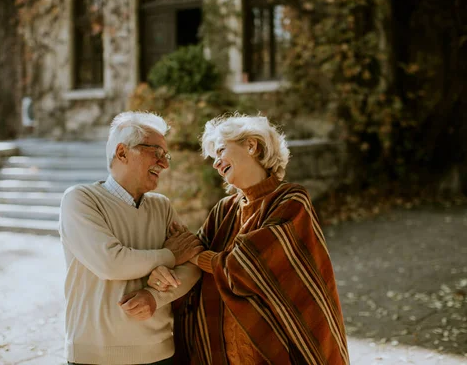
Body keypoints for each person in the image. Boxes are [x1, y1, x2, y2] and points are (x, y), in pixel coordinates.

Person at [148, 114, 349, 365]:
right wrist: (167, 263)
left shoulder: (291, 199)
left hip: (274, 349)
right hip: (222, 351)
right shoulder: (223, 210)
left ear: (251, 145)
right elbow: (189, 255)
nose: (216, 163)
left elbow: (250, 264)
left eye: (221, 150)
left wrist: (198, 256)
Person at [58, 111, 203, 365]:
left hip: (161, 354)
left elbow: (192, 264)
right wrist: (170, 256)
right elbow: (110, 262)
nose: (165, 163)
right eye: (155, 152)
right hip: (95, 357)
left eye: (165, 155)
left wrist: (154, 296)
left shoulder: (162, 207)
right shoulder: (80, 199)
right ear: (122, 153)